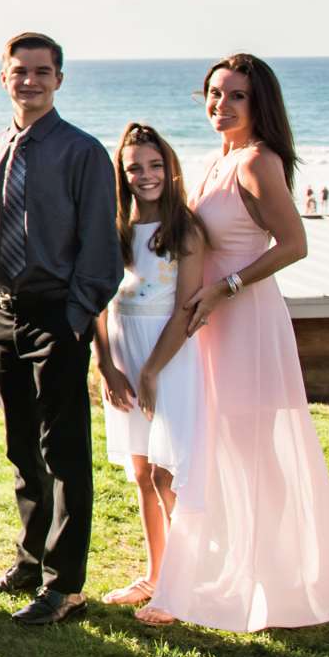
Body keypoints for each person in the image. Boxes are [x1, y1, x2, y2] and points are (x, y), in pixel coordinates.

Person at [141, 56, 329, 631]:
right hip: (208, 321)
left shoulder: (259, 161)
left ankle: (270, 577)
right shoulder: (216, 159)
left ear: (259, 104)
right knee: (215, 450)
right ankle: (229, 568)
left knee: (251, 452)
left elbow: (294, 244)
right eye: (214, 94)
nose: (222, 105)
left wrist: (226, 287)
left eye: (236, 96)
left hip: (244, 319)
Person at [0, 31, 118, 626]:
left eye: (41, 71)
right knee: (20, 447)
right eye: (19, 71)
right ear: (3, 77)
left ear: (59, 79)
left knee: (63, 451)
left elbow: (101, 245)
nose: (29, 80)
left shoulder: (82, 152)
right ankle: (30, 560)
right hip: (1, 313)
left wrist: (76, 314)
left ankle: (66, 586)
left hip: (56, 313)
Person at [96, 123, 204, 608]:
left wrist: (151, 370)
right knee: (141, 473)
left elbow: (187, 310)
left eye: (155, 165)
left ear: (170, 167)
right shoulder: (111, 228)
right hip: (123, 356)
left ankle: (185, 585)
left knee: (167, 474)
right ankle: (156, 575)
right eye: (135, 166)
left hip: (167, 358)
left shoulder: (185, 230)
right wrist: (108, 366)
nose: (146, 175)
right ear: (122, 173)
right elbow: (96, 303)